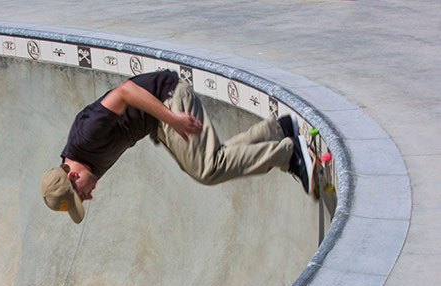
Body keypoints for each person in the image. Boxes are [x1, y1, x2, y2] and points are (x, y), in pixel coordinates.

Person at [41, 70, 312, 223]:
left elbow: (125, 91)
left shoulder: (87, 136)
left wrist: (172, 119)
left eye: (81, 195)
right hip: (157, 121)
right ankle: (278, 130)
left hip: (168, 98)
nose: (88, 197)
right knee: (212, 159)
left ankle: (288, 154)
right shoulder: (83, 166)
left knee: (207, 169)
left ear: (73, 176)